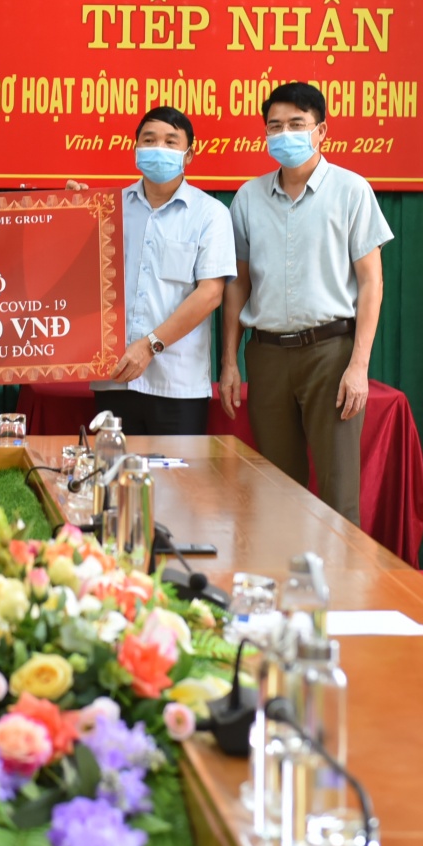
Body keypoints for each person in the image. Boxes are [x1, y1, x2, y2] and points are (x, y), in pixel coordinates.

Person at [220, 81, 391, 524]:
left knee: (338, 496)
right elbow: (237, 285)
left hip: (330, 355)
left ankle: (342, 574)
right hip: (266, 355)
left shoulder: (352, 191)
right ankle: (282, 572)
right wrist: (229, 361)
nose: (285, 134)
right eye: (275, 126)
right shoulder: (248, 197)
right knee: (275, 493)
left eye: (297, 124)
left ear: (321, 131)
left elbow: (371, 282)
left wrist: (359, 365)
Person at [86, 106, 234, 435]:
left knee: (176, 471)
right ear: (135, 149)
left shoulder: (210, 214)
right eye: (149, 140)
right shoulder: (107, 208)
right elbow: (80, 279)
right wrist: (72, 214)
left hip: (177, 384)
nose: (158, 149)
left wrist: (149, 345)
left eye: (170, 142)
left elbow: (210, 294)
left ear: (189, 154)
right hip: (115, 378)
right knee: (112, 468)